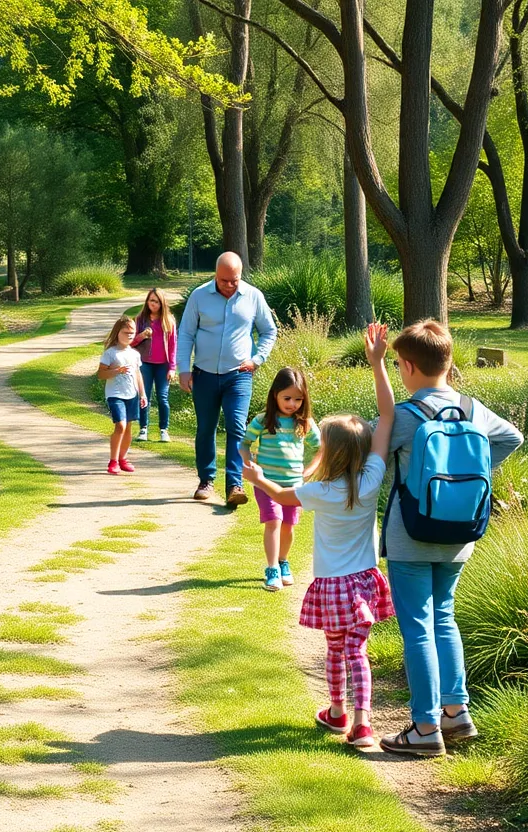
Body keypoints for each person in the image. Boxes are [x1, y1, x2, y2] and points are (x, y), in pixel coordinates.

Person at [243, 323, 397, 750]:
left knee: (335, 652)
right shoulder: (369, 479)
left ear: (327, 451)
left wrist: (256, 476)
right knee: (358, 652)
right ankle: (363, 724)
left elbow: (278, 492)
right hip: (365, 581)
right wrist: (377, 363)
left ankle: (336, 712)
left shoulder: (319, 492)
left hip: (331, 586)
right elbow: (387, 416)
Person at [378, 321, 523, 757]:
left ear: (406, 366)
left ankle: (424, 727)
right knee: (445, 617)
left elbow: (368, 444)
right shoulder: (475, 410)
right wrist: (468, 476)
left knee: (417, 626)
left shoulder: (405, 416)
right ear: (449, 362)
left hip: (412, 534)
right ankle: (456, 712)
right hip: (461, 534)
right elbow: (513, 437)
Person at [177, 251, 277, 508]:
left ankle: (235, 484)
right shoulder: (199, 296)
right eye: (225, 281)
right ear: (215, 275)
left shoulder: (253, 296)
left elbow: (269, 331)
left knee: (236, 426)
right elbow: (186, 333)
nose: (230, 286)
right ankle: (206, 481)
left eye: (235, 280)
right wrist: (183, 370)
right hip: (204, 374)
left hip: (239, 375)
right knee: (206, 428)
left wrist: (257, 359)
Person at [239, 367, 322, 592]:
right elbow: (244, 443)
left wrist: (310, 470)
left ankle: (283, 561)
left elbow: (321, 448)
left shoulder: (304, 423)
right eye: (287, 398)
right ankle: (272, 567)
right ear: (275, 394)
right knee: (273, 521)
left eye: (298, 399)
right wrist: (249, 464)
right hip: (266, 483)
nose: (292, 404)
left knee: (288, 525)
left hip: (294, 486)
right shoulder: (263, 420)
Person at [97, 315, 147, 475]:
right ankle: (113, 461)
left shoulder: (135, 354)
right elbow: (101, 374)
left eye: (132, 333)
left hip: (132, 394)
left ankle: (123, 459)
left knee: (128, 427)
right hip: (115, 394)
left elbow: (138, 374)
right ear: (118, 332)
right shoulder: (110, 353)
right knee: (120, 426)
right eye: (126, 332)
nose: (129, 336)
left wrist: (143, 394)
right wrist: (116, 371)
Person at [132, 288, 177, 443]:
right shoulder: (140, 319)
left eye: (156, 301)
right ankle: (143, 428)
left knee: (162, 397)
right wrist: (142, 335)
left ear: (162, 303)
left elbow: (173, 346)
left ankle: (164, 430)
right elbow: (131, 342)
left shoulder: (168, 321)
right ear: (147, 301)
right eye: (151, 300)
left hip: (163, 365)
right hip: (145, 364)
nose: (153, 304)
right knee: (144, 396)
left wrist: (172, 367)